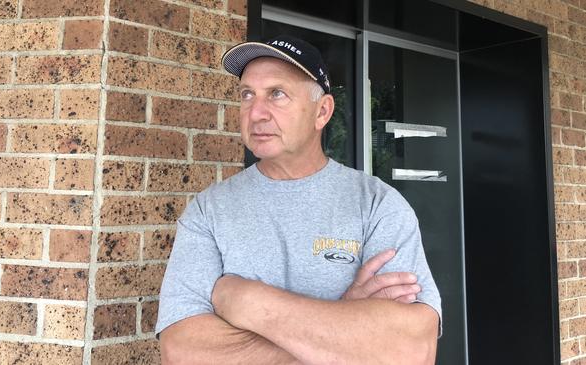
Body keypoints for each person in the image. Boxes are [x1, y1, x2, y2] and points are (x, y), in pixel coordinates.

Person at [155, 35, 441, 364]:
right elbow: (181, 352)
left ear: (322, 111)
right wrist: (344, 327)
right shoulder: (208, 211)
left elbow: (410, 351)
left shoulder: (377, 205)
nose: (256, 112)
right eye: (247, 94)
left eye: (277, 94)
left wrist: (248, 300)